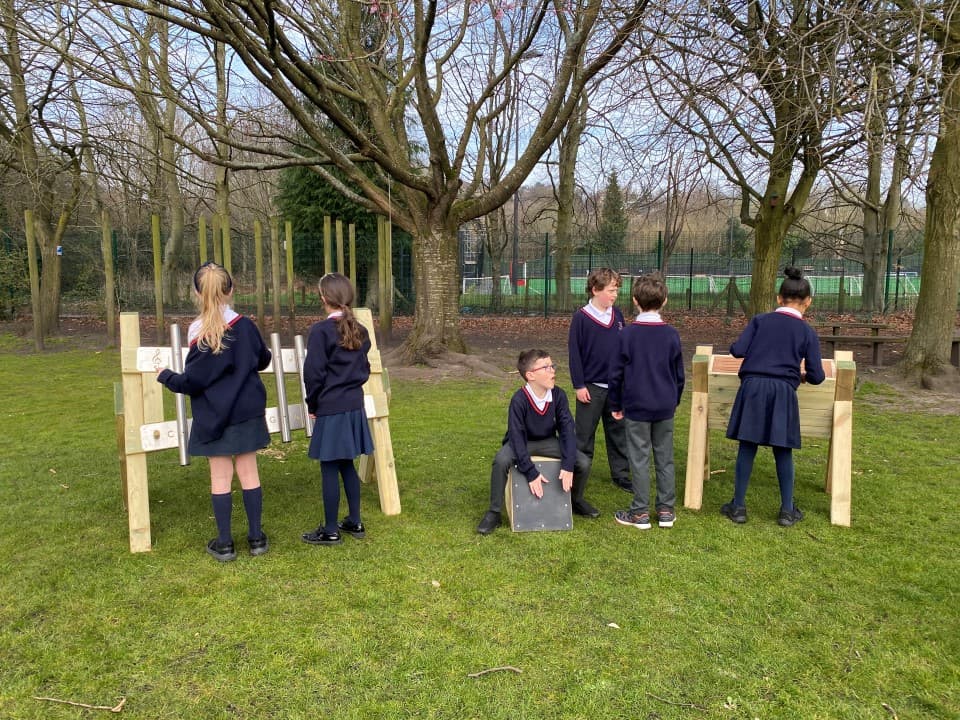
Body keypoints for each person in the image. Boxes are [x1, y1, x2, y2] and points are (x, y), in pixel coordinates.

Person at [157, 262, 272, 562]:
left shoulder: (198, 332)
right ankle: (257, 539)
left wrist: (165, 375)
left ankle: (224, 544)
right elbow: (262, 360)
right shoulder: (245, 326)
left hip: (214, 416)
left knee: (220, 478)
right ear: (232, 290)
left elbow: (193, 381)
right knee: (249, 473)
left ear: (196, 293)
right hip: (246, 411)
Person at [721, 266, 826, 527]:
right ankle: (787, 511)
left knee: (748, 445)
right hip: (783, 392)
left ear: (779, 298)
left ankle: (738, 507)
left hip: (753, 387)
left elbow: (737, 350)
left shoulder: (760, 321)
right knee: (783, 449)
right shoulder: (807, 332)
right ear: (807, 302)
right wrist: (800, 376)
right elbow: (817, 376)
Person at [476, 349, 591, 535]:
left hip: (547, 441)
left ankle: (576, 501)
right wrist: (530, 472)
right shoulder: (519, 399)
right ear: (530, 375)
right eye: (546, 367)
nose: (553, 370)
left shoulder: (558, 395)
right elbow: (517, 436)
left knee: (583, 463)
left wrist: (568, 465)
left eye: (552, 366)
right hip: (521, 442)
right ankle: (494, 513)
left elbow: (567, 431)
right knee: (501, 461)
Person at [301, 273, 374, 546]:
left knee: (330, 466)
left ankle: (331, 529)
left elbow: (313, 374)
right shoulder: (361, 330)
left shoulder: (320, 331)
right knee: (346, 463)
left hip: (331, 407)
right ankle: (354, 521)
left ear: (323, 299)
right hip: (354, 405)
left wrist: (313, 404)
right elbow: (364, 370)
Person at [608, 273, 685, 530]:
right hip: (664, 405)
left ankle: (640, 513)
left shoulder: (627, 335)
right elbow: (679, 375)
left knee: (638, 458)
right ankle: (665, 510)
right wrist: (674, 400)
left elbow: (616, 375)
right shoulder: (672, 335)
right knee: (665, 457)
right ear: (664, 301)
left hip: (636, 406)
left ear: (634, 301)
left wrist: (615, 405)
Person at [568, 268, 630, 514]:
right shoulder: (581, 318)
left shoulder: (618, 316)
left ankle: (622, 475)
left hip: (615, 388)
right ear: (596, 290)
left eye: (617, 290)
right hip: (590, 389)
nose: (615, 294)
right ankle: (578, 477)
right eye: (611, 290)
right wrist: (579, 385)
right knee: (583, 437)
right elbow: (575, 354)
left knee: (618, 434)